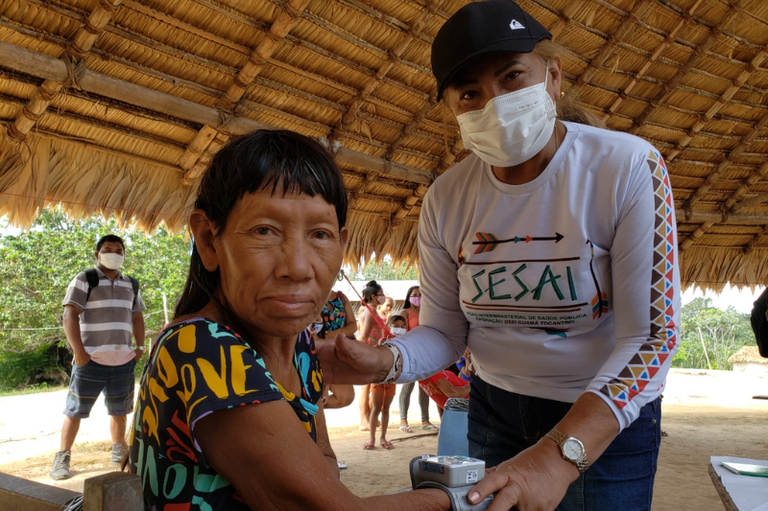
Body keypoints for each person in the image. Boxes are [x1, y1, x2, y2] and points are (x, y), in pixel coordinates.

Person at [318, 2, 680, 511]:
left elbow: (653, 338)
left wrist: (556, 456)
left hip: (604, 414)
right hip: (494, 410)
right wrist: (384, 360)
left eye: (512, 76)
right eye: (470, 93)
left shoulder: (627, 167)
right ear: (452, 108)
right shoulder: (446, 198)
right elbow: (446, 333)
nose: (494, 103)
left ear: (552, 76)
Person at [128, 130, 451, 511]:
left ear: (341, 244)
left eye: (320, 234)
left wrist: (318, 484)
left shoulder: (300, 347)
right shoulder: (201, 346)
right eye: (265, 231)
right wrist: (459, 497)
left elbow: (325, 465)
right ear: (209, 240)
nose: (298, 267)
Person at [50, 234, 146, 480]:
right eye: (107, 249)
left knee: (119, 410)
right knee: (75, 410)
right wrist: (79, 352)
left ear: (123, 255)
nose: (113, 253)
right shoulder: (85, 279)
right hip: (89, 361)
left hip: (124, 361)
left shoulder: (131, 284)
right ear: (97, 254)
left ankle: (118, 452)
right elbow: (69, 315)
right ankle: (62, 457)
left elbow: (136, 316)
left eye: (118, 249)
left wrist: (140, 348)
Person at [398, 285, 436, 433]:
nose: (417, 298)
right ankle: (403, 419)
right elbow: (399, 331)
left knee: (425, 387)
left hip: (426, 353)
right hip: (410, 353)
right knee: (408, 385)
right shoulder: (405, 312)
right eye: (414, 295)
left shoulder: (429, 312)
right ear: (409, 297)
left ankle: (425, 420)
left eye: (420, 295)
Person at [356, 279, 387, 431]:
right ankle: (363, 420)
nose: (384, 296)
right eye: (382, 294)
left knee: (371, 387)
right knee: (365, 387)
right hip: (369, 352)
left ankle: (369, 417)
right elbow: (364, 335)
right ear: (374, 296)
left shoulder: (371, 310)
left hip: (373, 352)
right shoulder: (369, 311)